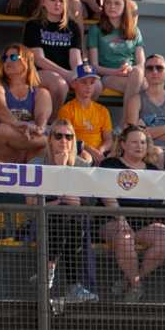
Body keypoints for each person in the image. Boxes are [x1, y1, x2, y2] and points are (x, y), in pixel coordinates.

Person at [96, 127, 165, 301]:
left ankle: (130, 280)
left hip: (143, 225)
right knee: (125, 235)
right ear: (123, 144)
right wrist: (122, 219)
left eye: (142, 142)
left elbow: (161, 204)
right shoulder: (109, 165)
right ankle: (137, 287)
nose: (139, 146)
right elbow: (105, 194)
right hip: (112, 222)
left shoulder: (154, 171)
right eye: (134, 142)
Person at [39, 120, 100, 305]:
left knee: (71, 223)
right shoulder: (37, 163)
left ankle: (49, 267)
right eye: (58, 135)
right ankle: (72, 284)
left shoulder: (82, 166)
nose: (63, 140)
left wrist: (70, 199)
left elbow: (86, 202)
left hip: (74, 223)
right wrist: (61, 197)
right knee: (59, 216)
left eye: (69, 136)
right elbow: (31, 202)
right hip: (41, 220)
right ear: (50, 139)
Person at [0, 48, 53, 165]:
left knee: (51, 137)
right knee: (2, 130)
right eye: (5, 58)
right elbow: (0, 110)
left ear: (27, 61)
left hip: (30, 144)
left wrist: (36, 129)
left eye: (13, 57)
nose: (7, 61)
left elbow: (41, 121)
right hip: (1, 147)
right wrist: (19, 125)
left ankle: (32, 166)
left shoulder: (41, 93)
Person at [20, 0, 85, 106]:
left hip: (66, 72)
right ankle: (53, 122)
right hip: (38, 72)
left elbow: (76, 58)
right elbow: (39, 59)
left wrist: (78, 75)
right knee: (59, 84)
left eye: (61, 0)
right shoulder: (33, 25)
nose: (57, 4)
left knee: (95, 86)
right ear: (43, 2)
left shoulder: (72, 27)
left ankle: (76, 117)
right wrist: (67, 74)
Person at [86, 0, 143, 101]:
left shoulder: (134, 31)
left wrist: (129, 69)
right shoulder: (95, 29)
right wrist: (116, 72)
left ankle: (128, 119)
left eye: (117, 3)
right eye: (108, 3)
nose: (112, 6)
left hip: (131, 74)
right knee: (144, 88)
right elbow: (94, 66)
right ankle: (130, 118)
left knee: (138, 73)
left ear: (124, 7)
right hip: (108, 76)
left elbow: (141, 63)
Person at [57, 64, 113, 161]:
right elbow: (68, 138)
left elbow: (108, 139)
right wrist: (91, 150)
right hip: (77, 151)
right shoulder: (66, 110)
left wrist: (101, 150)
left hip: (100, 153)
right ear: (74, 84)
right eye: (84, 82)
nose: (88, 87)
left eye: (92, 83)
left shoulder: (102, 110)